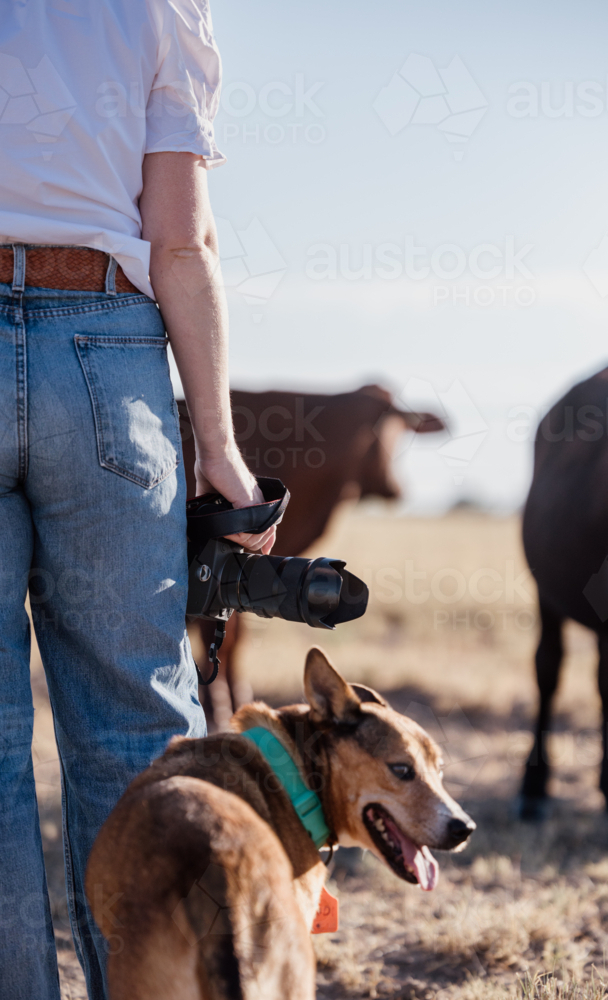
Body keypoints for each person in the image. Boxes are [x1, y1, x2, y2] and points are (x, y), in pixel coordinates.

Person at [0, 3, 274, 998]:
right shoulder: (159, 7)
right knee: (132, 734)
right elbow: (181, 240)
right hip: (108, 352)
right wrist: (220, 445)